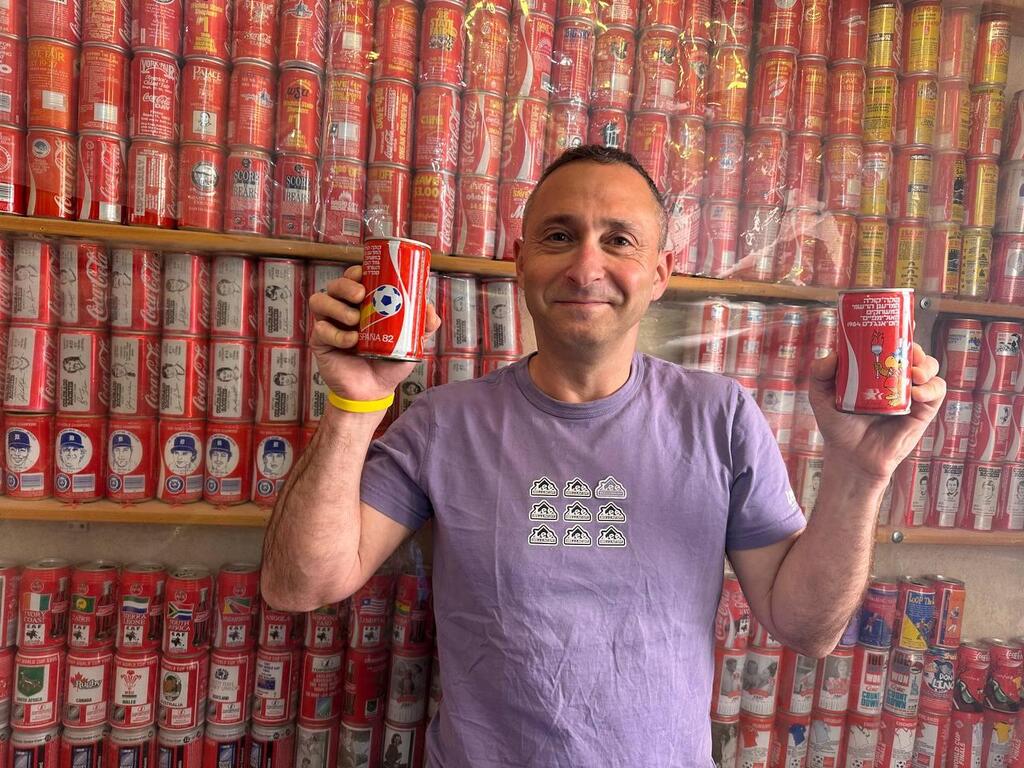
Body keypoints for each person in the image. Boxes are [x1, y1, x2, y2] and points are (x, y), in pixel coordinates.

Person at [261, 145, 946, 764]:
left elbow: (806, 628)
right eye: (559, 236)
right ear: (520, 259)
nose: (587, 265)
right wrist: (355, 403)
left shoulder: (721, 416)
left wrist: (861, 473)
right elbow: (300, 585)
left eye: (617, 240)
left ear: (659, 273)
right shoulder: (444, 421)